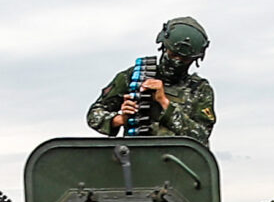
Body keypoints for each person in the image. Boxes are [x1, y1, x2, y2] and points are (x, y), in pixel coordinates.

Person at [85, 16, 215, 141]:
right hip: (138, 158)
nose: (177, 62)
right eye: (173, 54)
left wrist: (164, 102)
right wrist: (121, 119)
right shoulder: (133, 76)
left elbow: (201, 135)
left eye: (184, 59)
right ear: (164, 47)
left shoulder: (200, 89)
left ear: (194, 59)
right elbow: (94, 115)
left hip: (178, 160)